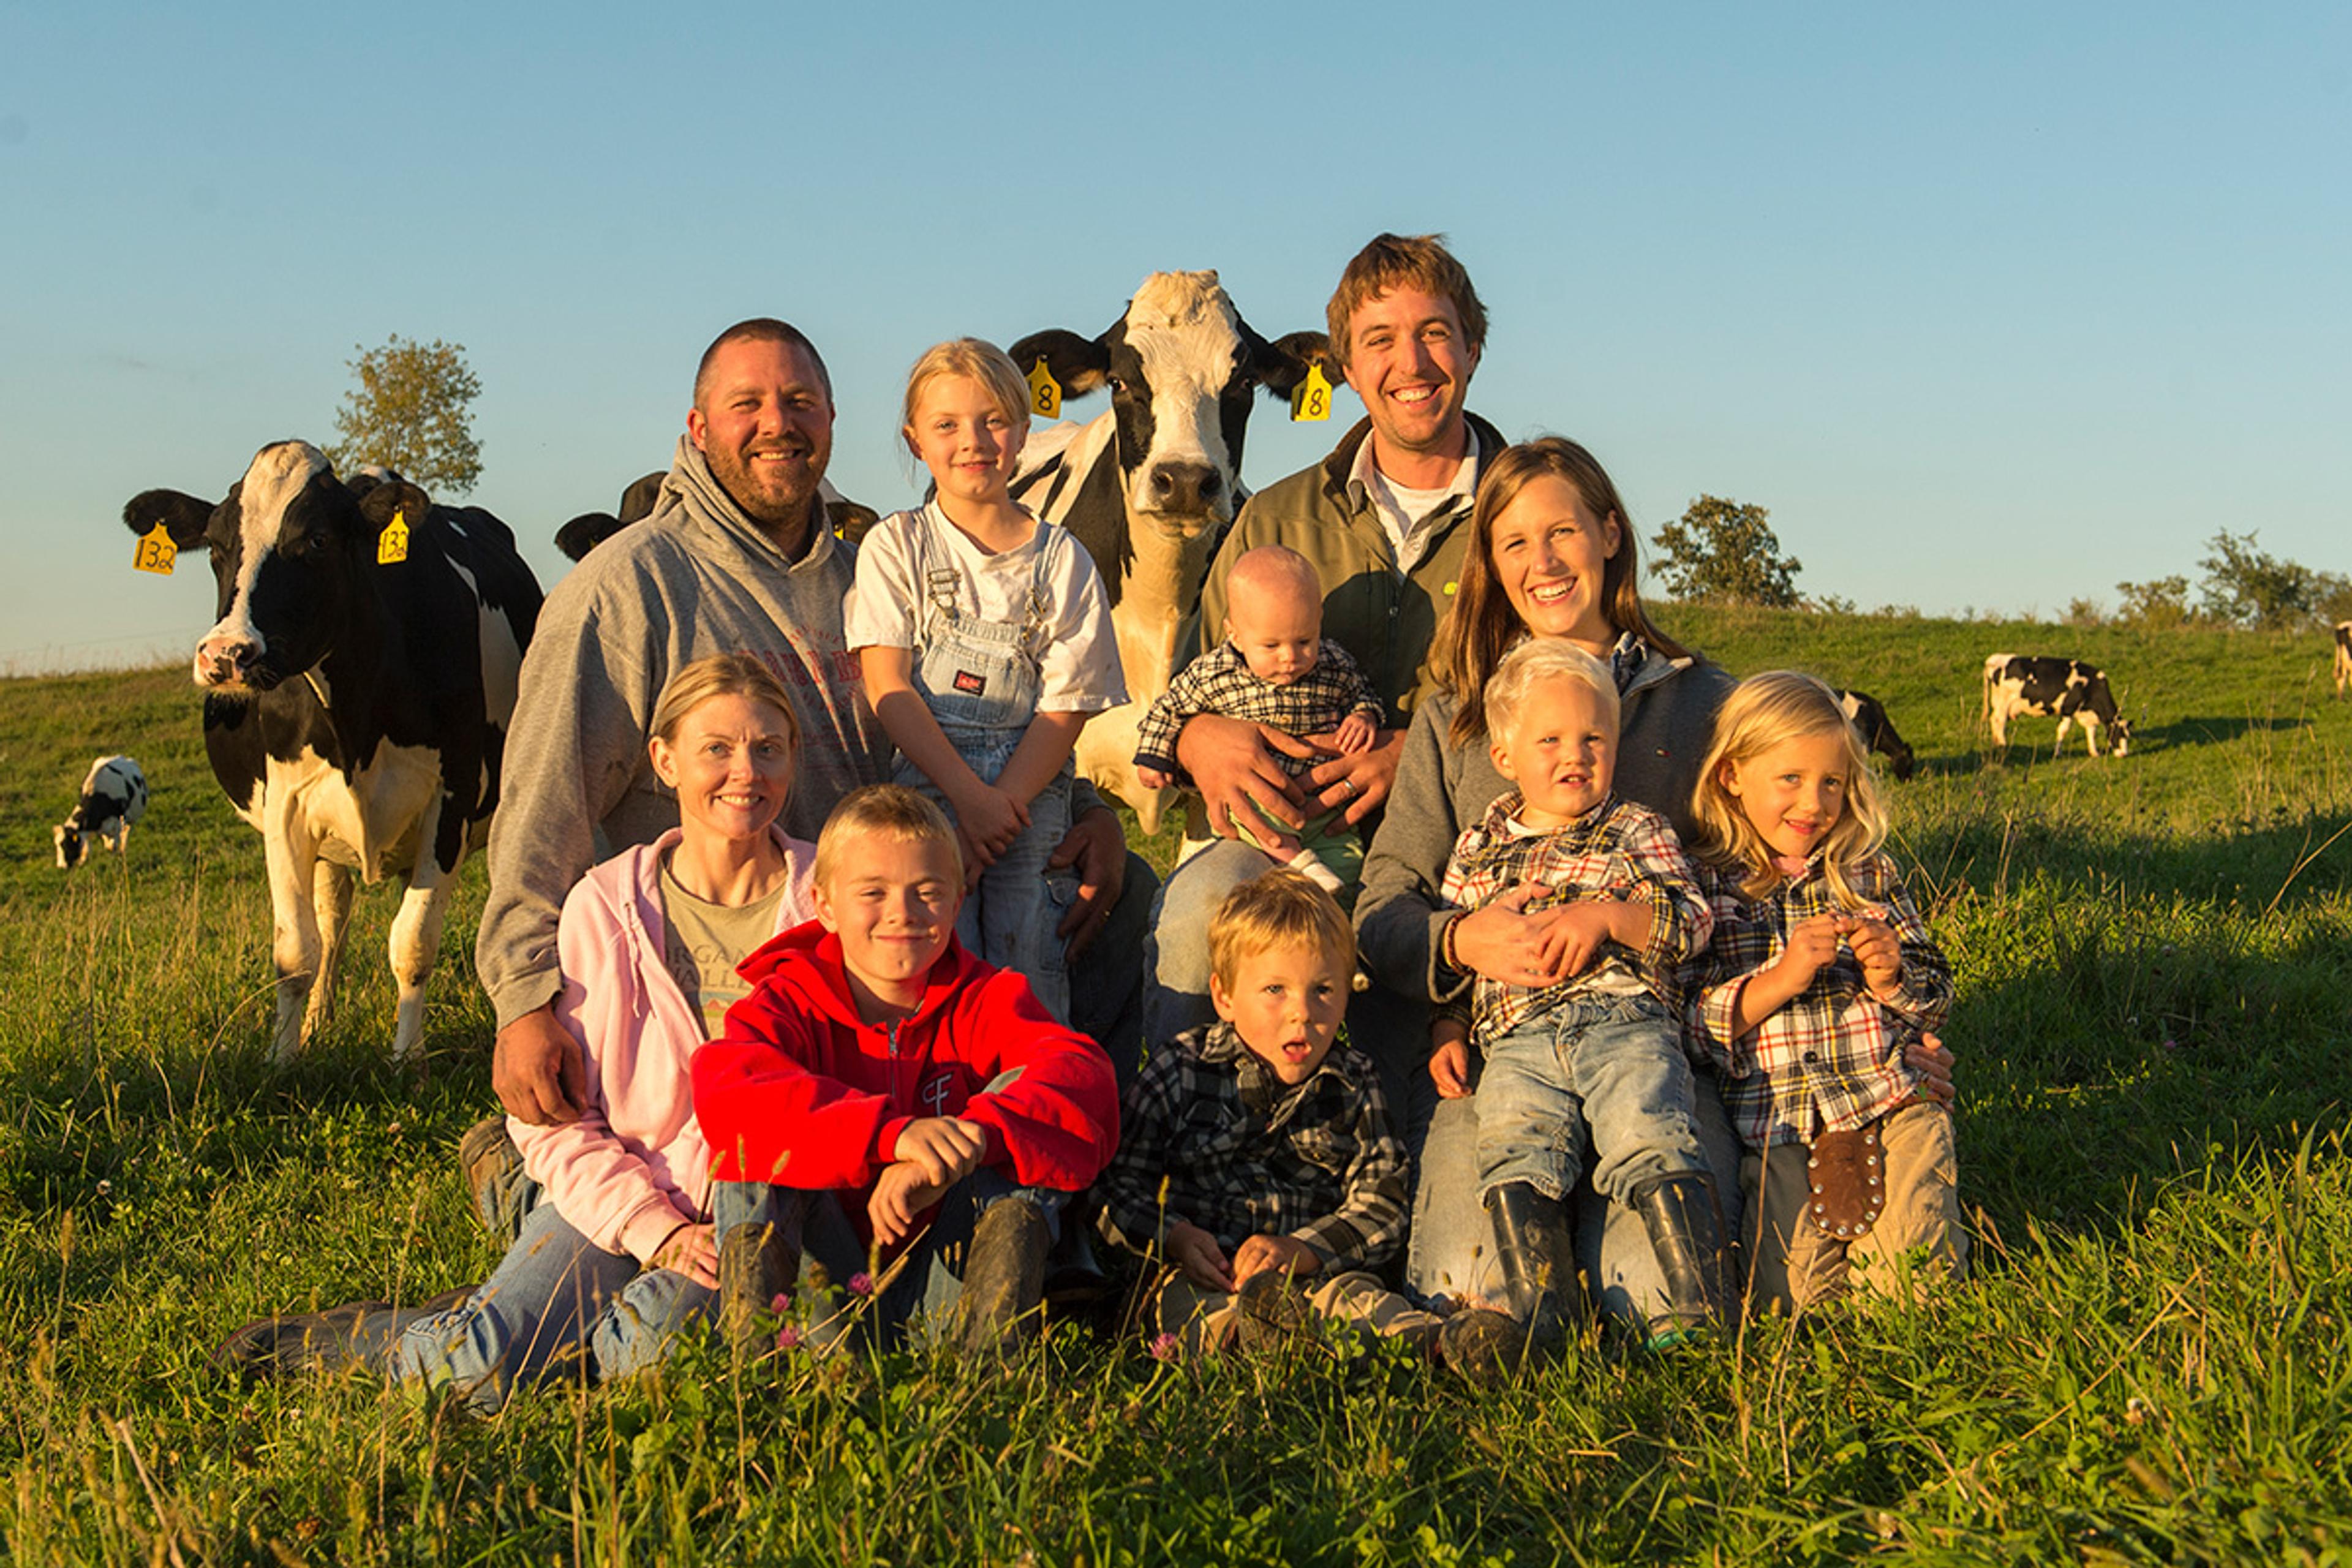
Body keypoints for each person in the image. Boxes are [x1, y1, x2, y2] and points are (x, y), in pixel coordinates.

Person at [473, 318, 1150, 1145]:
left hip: (886, 922)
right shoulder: (627, 589)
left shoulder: (865, 572)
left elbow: (971, 718)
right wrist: (524, 1000)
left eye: (800, 402)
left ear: (831, 421)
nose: (777, 424)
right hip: (721, 968)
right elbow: (546, 803)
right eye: (746, 404)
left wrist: (1087, 811)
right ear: (697, 427)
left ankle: (1091, 1169)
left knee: (1122, 900)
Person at [1357, 434, 1958, 1343]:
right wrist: (1459, 945)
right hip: (1503, 1055)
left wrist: (1885, 1027)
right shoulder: (1458, 713)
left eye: (1562, 531)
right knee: (1462, 1283)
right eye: (1513, 543)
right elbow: (1386, 905)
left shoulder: (1706, 700)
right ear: (1488, 563)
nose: (1542, 562)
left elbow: (1792, 876)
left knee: (1654, 1297)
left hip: (1664, 1049)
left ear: (1609, 534)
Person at [216, 657, 822, 1408]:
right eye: (717, 749)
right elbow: (556, 1121)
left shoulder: (832, 904)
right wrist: (652, 1229)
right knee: (474, 1373)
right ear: (663, 761)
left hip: (752, 1209)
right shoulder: (605, 906)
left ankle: (522, 1279)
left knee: (655, 1361)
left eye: (769, 747)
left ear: (794, 757)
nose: (746, 772)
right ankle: (382, 1334)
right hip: (618, 1188)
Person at [1146, 233, 1506, 1047]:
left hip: (1458, 858)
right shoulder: (1273, 516)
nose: (1410, 363)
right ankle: (1178, 1144)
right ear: (1343, 369)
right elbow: (1196, 678)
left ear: (1474, 349)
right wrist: (1199, 741)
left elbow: (1562, 701)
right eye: (1379, 341)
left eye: (1435, 334)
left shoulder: (1524, 517)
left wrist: (1418, 754)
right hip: (1277, 849)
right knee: (1198, 913)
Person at [692, 785, 1120, 1356]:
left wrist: (968, 1143)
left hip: (944, 1286)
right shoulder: (786, 1001)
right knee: (749, 1153)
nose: (903, 912)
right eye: (873, 892)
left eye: (927, 892)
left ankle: (989, 1378)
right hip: (823, 1299)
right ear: (824, 905)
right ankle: (757, 1380)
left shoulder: (987, 997)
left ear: (957, 899)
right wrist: (892, 1136)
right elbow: (728, 1092)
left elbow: (1084, 1079)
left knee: (1019, 1118)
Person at [1431, 639, 1731, 1344]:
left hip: (1624, 1018)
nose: (1576, 755)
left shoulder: (1636, 828)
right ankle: (1549, 1316)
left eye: (1594, 738)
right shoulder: (1479, 845)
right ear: (1505, 756)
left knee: (1648, 1130)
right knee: (1513, 1147)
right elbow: (1459, 946)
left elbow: (1692, 923)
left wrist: (1609, 916)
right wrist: (1446, 1025)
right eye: (1551, 740)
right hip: (1516, 1040)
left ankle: (1704, 1303)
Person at [847, 339, 1126, 1021]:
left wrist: (997, 810)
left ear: (1024, 430)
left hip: (1028, 808)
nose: (973, 441)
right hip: (929, 792)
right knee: (932, 972)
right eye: (946, 425)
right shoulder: (898, 546)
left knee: (1026, 970)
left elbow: (1065, 710)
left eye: (993, 420)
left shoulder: (1063, 560)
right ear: (916, 442)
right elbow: (890, 686)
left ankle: (1029, 1112)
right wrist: (966, 798)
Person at [1681, 671, 1963, 1313]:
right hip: (1779, 1129)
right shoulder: (1707, 887)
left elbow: (1936, 990)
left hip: (1888, 1105)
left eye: (1831, 782)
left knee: (1912, 1291)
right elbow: (1690, 1025)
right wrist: (1778, 980)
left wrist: (1892, 975)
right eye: (1791, 779)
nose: (1814, 803)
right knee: (1788, 1303)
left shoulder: (1867, 872)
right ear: (1731, 776)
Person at [1132, 545, 1384, 896]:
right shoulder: (1214, 672)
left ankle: (1343, 912)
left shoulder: (1334, 663)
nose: (1290, 657)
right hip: (1257, 797)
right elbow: (1169, 709)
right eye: (1271, 646)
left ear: (1319, 621)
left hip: (1324, 804)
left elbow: (1362, 691)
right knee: (1255, 814)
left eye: (1304, 640)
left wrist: (1364, 715)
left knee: (1346, 866)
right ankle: (1299, 866)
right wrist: (1153, 756)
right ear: (1235, 634)